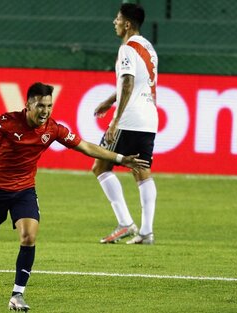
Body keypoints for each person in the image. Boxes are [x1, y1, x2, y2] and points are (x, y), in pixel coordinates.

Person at [0, 82, 149, 311]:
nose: (45, 111)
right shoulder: (8, 121)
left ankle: (17, 295)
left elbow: (84, 146)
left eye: (49, 106)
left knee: (28, 237)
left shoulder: (53, 129)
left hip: (24, 190)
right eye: (40, 105)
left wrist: (121, 159)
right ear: (28, 105)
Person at [92, 3, 158, 245]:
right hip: (149, 117)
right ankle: (146, 232)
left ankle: (125, 223)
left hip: (129, 119)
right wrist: (110, 100)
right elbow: (138, 83)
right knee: (141, 172)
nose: (114, 22)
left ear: (128, 23)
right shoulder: (148, 47)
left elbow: (128, 83)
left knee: (100, 167)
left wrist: (115, 120)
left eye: (118, 18)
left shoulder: (128, 49)